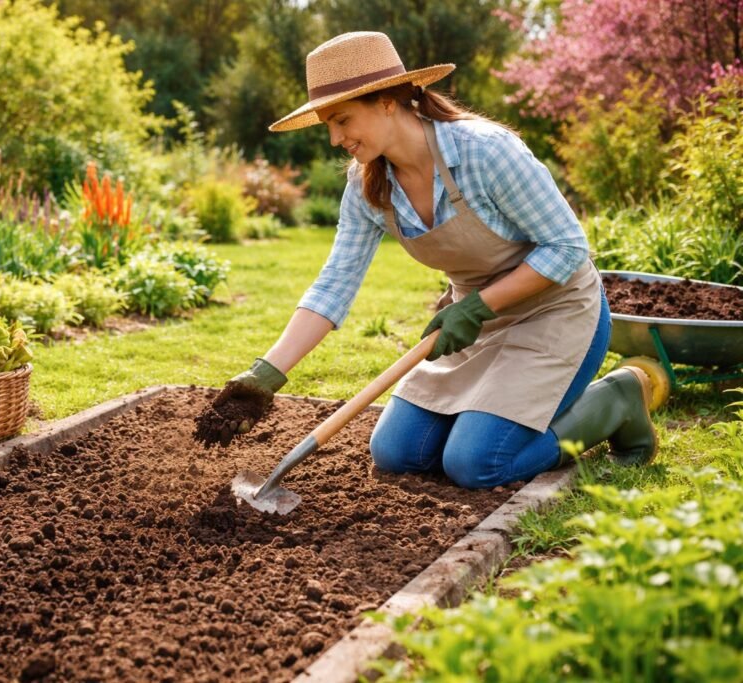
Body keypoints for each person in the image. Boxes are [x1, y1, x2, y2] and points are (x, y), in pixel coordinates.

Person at [215, 31, 657, 489]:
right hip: (471, 326)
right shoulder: (369, 186)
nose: (334, 138)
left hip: (555, 312)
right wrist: (268, 372)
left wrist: (478, 306)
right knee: (397, 453)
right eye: (328, 124)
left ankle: (615, 402)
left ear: (387, 100)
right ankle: (488, 413)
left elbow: (567, 247)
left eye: (342, 120)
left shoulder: (485, 151)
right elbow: (334, 284)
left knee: (476, 464)